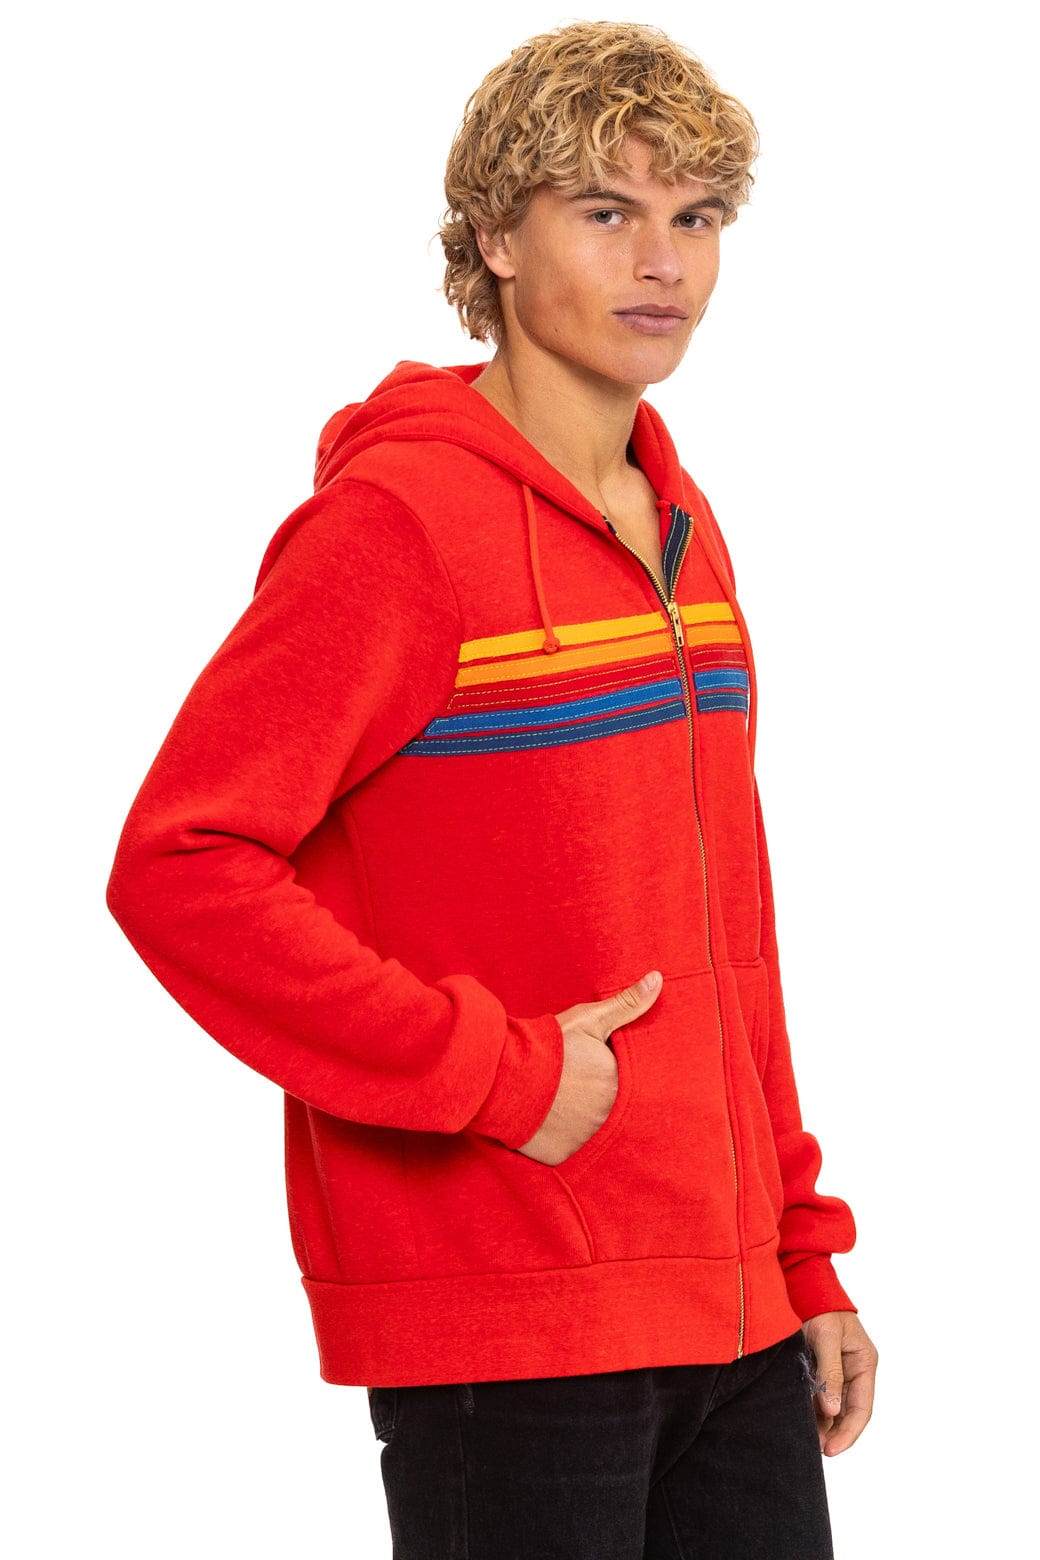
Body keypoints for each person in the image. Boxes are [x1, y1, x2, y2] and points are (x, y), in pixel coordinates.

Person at [106, 18, 877, 1558]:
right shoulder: (394, 528)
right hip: (511, 1311)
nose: (661, 262)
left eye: (695, 217)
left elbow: (730, 930)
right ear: (496, 240)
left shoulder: (676, 527)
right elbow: (183, 863)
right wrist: (493, 1075)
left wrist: (800, 1251)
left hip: (727, 1308)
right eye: (606, 210)